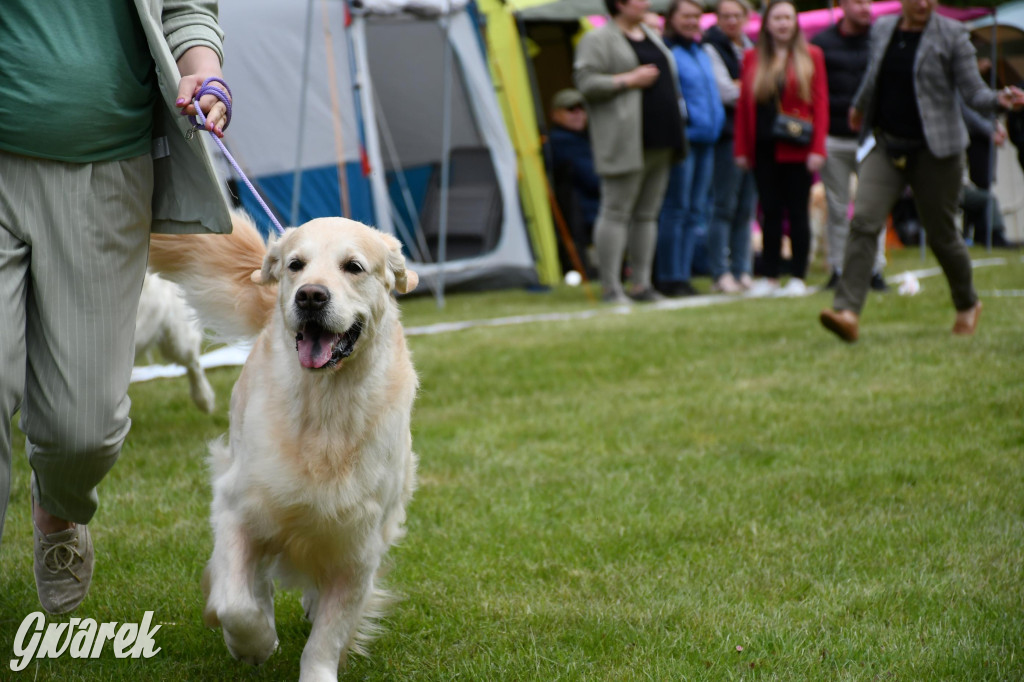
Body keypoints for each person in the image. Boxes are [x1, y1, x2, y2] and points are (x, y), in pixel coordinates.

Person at [0, 2, 233, 614]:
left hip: (108, 170)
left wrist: (204, 72)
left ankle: (60, 510)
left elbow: (187, 8)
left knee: (87, 431)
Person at [819, 0, 1024, 342]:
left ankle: (967, 303)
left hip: (937, 151)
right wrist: (859, 106)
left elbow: (971, 91)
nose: (923, 3)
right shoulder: (884, 28)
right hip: (887, 143)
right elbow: (875, 76)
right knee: (865, 220)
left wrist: (998, 100)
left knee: (942, 233)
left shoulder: (953, 34)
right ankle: (848, 312)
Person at [574, 0, 688, 304]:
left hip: (661, 140)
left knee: (647, 215)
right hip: (625, 142)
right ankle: (611, 288)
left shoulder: (650, 34)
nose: (647, 2)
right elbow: (585, 82)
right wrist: (627, 80)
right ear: (620, 3)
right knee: (615, 211)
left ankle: (642, 284)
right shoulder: (597, 39)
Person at [734, 0, 828, 297]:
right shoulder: (751, 58)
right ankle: (770, 275)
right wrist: (742, 149)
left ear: (796, 22)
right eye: (777, 18)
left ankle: (798, 276)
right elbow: (744, 108)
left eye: (788, 18)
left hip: (797, 147)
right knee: (769, 212)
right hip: (763, 147)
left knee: (798, 211)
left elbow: (821, 104)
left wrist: (818, 148)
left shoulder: (811, 56)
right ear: (767, 23)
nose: (783, 24)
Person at [811, 0, 889, 292]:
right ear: (841, 5)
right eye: (858, 1)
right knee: (837, 207)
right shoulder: (821, 44)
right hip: (834, 138)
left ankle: (874, 270)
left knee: (873, 208)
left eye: (870, 1)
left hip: (872, 138)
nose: (866, 7)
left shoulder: (881, 39)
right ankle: (839, 270)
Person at [654, 0, 725, 297]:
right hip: (684, 140)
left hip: (708, 139)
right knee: (676, 208)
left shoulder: (701, 50)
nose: (692, 21)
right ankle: (669, 275)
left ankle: (683, 274)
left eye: (696, 16)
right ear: (671, 18)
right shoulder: (667, 51)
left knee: (695, 210)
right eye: (686, 16)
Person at [703, 0, 757, 294]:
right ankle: (720, 272)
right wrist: (751, 86)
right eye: (726, 16)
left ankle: (743, 269)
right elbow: (725, 92)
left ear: (746, 17)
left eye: (737, 15)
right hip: (728, 136)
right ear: (717, 19)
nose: (732, 21)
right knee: (724, 205)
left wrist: (744, 85)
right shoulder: (711, 47)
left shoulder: (751, 45)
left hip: (752, 135)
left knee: (747, 207)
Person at [548, 88, 602, 276]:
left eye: (581, 108)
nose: (578, 113)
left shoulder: (585, 138)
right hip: (586, 212)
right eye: (571, 109)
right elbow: (593, 180)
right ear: (556, 114)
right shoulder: (561, 141)